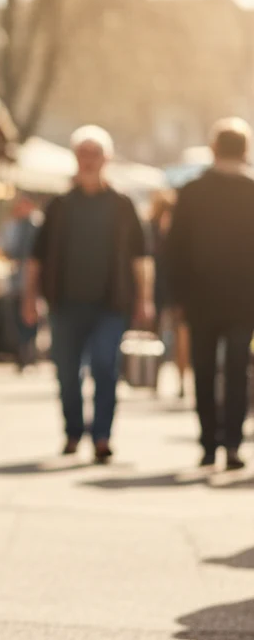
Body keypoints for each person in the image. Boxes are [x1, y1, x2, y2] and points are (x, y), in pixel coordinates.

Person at [22, 125, 151, 462]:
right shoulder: (59, 206)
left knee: (106, 366)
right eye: (83, 154)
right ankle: (73, 431)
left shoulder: (122, 205)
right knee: (67, 372)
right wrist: (29, 298)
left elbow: (141, 257)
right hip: (64, 304)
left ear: (106, 159)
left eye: (95, 154)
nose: (89, 161)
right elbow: (36, 258)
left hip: (111, 304)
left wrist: (144, 299)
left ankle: (103, 436)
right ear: (75, 158)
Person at [165, 118, 254, 469]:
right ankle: (232, 443)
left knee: (203, 369)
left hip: (199, 299)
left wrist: (175, 297)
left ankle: (208, 443)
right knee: (237, 370)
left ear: (213, 149)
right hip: (244, 300)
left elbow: (174, 249)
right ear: (245, 150)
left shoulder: (191, 192)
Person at [148, 191, 189, 399]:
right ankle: (155, 379)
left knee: (178, 335)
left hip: (170, 288)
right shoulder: (153, 230)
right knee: (162, 334)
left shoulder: (176, 230)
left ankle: (178, 381)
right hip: (164, 288)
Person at [0, 194, 40, 370]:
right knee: (18, 316)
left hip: (28, 279)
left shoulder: (35, 226)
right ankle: (23, 353)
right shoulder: (15, 225)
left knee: (28, 318)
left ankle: (28, 352)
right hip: (17, 279)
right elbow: (7, 249)